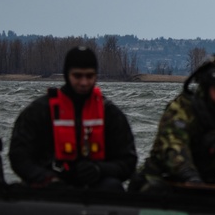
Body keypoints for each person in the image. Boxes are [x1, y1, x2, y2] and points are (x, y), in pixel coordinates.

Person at [9, 46, 137, 191]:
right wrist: (46, 178)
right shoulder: (39, 111)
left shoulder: (110, 114)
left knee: (112, 187)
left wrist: (100, 169)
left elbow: (128, 161)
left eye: (89, 76)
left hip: (95, 185)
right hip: (49, 186)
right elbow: (18, 156)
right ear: (66, 74)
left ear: (96, 76)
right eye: (77, 76)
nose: (84, 83)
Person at [134, 51, 215, 192]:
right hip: (163, 178)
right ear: (207, 86)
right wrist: (190, 176)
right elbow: (175, 146)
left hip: (206, 181)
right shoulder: (182, 109)